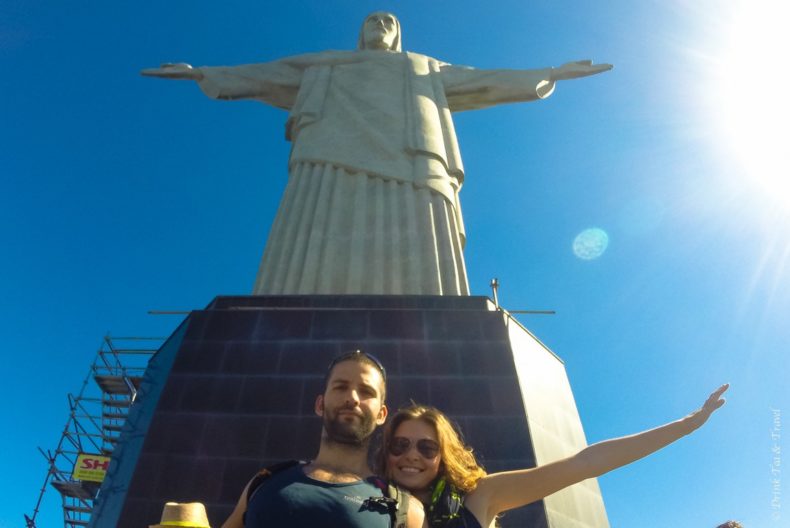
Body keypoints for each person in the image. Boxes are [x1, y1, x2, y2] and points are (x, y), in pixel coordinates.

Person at [142, 12, 612, 296]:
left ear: (398, 34)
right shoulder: (328, 62)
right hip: (327, 156)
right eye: (372, 21)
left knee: (420, 238)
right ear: (361, 33)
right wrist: (201, 72)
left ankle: (430, 307)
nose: (380, 26)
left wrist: (551, 71)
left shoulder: (422, 67)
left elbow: (483, 79)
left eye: (389, 22)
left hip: (412, 158)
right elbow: (269, 73)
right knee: (316, 225)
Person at [378, 384, 730, 528]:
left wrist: (686, 425)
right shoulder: (364, 502)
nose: (412, 456)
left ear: (443, 455)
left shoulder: (479, 498)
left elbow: (586, 463)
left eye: (427, 447)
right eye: (400, 445)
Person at [221, 350, 424, 528]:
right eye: (341, 387)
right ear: (320, 404)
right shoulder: (263, 482)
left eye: (366, 391)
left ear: (381, 414)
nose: (352, 398)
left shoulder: (406, 512)